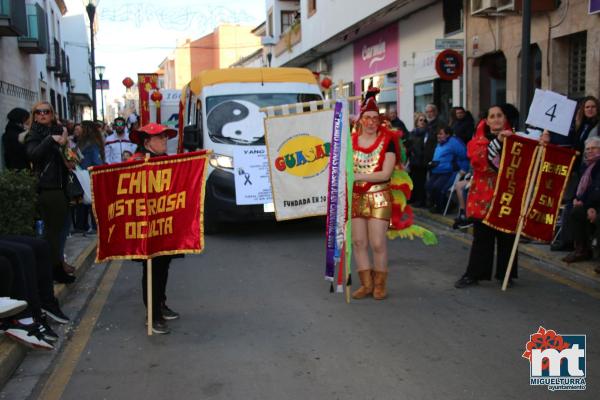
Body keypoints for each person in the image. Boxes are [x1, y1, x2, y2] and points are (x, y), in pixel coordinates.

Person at [454, 105, 520, 289]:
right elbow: (480, 163)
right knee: (482, 237)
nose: (497, 119)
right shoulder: (476, 142)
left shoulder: (516, 140)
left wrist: (543, 142)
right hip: (483, 194)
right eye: (493, 116)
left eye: (500, 115)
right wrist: (498, 142)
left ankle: (506, 274)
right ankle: (474, 274)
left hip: (507, 193)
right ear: (487, 120)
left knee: (507, 235)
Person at [129, 123, 180, 334]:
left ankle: (160, 303)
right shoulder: (137, 162)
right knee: (152, 270)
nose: (164, 141)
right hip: (146, 225)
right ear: (147, 142)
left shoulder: (166, 160)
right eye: (160, 138)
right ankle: (153, 315)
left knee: (163, 267)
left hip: (164, 222)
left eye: (165, 138)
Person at [350, 90, 398, 301]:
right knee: (359, 243)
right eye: (367, 118)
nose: (371, 122)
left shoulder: (388, 140)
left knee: (377, 243)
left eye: (375, 118)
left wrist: (356, 175)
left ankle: (380, 284)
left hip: (379, 196)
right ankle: (366, 285)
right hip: (356, 197)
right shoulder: (349, 141)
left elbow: (386, 173)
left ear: (380, 121)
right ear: (360, 120)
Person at [24, 101, 74, 284]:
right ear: (34, 115)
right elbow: (33, 155)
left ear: (52, 114)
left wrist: (69, 158)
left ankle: (57, 266)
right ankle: (52, 271)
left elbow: (66, 156)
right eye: (38, 112)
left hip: (62, 187)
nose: (42, 115)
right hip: (48, 188)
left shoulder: (59, 131)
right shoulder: (34, 135)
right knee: (52, 233)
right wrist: (51, 140)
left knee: (61, 231)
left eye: (46, 112)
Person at [561, 137, 600, 264]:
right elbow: (580, 187)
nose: (589, 151)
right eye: (587, 149)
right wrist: (576, 199)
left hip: (596, 205)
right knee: (574, 210)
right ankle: (581, 250)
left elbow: (596, 188)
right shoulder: (585, 166)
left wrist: (589, 206)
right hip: (590, 204)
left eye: (593, 148)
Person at [425, 126, 469, 213]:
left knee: (437, 187)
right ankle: (438, 204)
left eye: (441, 134)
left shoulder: (454, 142)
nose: (438, 136)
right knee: (428, 186)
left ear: (448, 134)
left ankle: (442, 207)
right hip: (437, 170)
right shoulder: (440, 143)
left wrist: (463, 169)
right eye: (438, 134)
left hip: (448, 171)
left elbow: (464, 156)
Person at [75, 121, 105, 233]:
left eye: (81, 127)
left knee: (91, 201)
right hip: (84, 174)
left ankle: (94, 226)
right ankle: (85, 225)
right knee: (87, 201)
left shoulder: (91, 144)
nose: (78, 129)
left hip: (89, 174)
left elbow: (97, 161)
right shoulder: (86, 142)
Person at [407, 112, 429, 207]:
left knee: (420, 182)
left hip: (422, 161)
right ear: (417, 122)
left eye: (424, 120)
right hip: (413, 160)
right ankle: (412, 198)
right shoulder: (413, 133)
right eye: (421, 120)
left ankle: (421, 200)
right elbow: (409, 145)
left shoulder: (427, 133)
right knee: (412, 180)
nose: (423, 122)